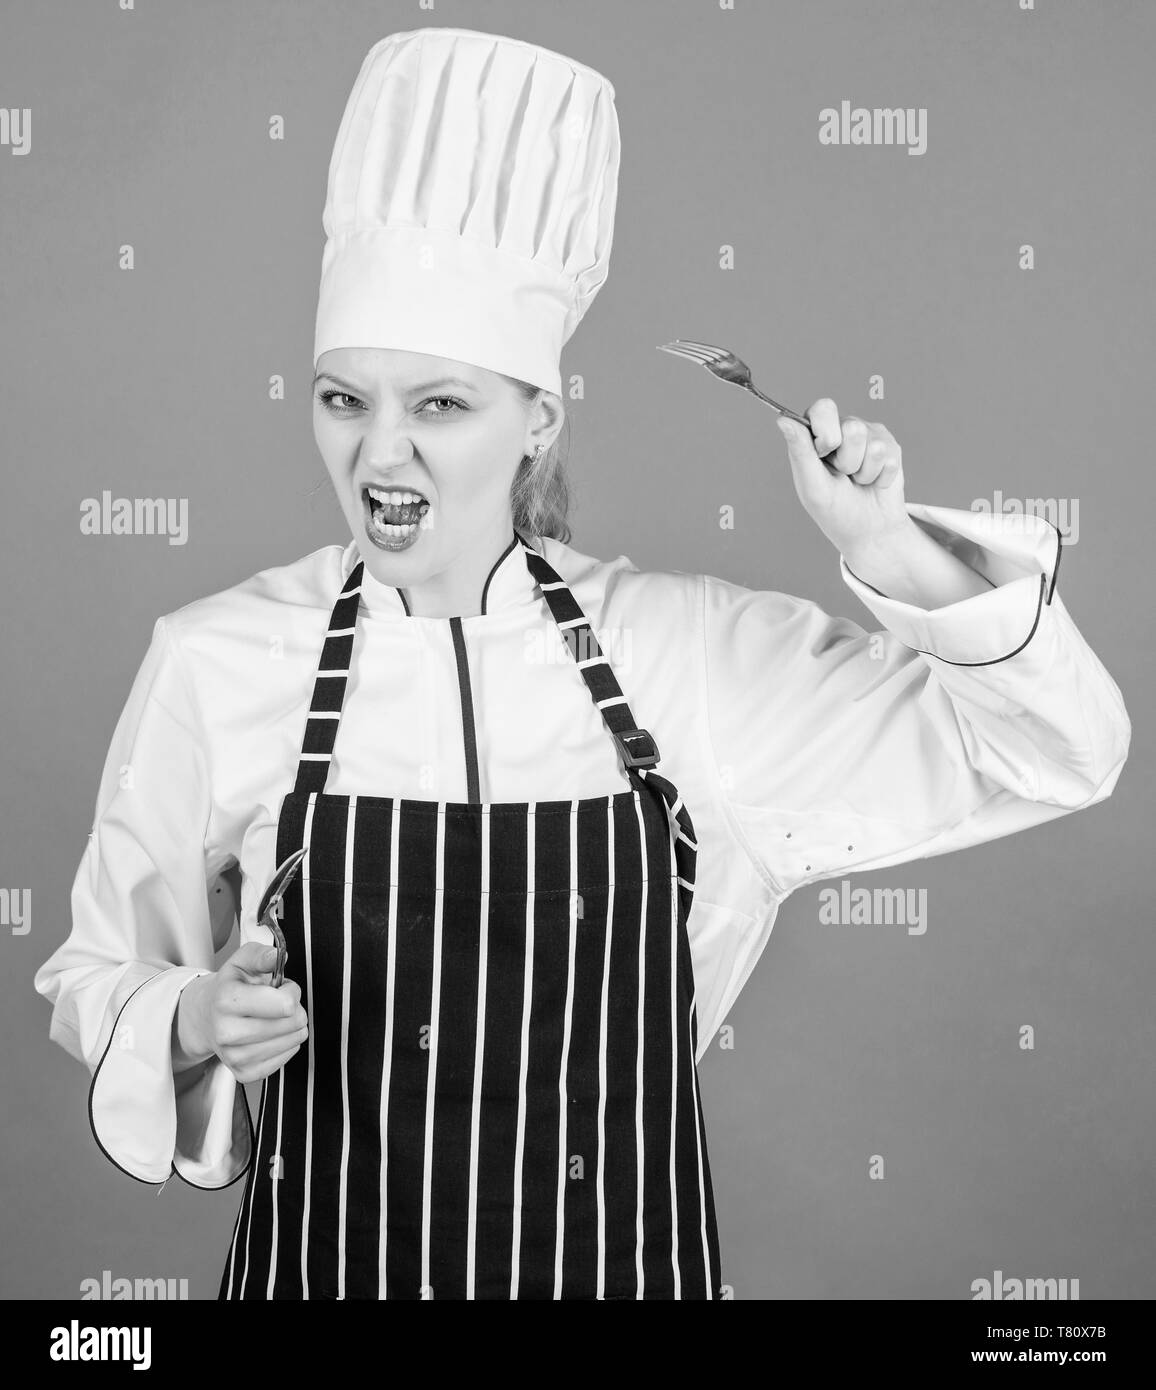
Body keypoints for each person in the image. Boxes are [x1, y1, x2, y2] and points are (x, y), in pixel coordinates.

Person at [34, 27, 1130, 1302]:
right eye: (345, 399)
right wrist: (194, 1018)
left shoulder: (687, 658)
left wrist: (889, 548)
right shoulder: (217, 661)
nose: (380, 454)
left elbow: (1065, 749)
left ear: (537, 417)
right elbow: (92, 975)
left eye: (438, 404)